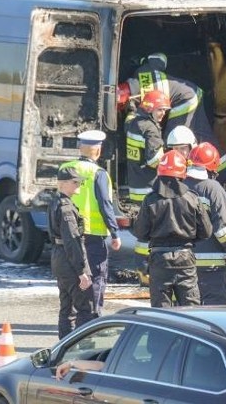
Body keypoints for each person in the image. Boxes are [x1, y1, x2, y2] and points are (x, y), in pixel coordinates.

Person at [132, 150, 212, 307]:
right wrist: (188, 239)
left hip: (159, 260)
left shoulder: (150, 199)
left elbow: (140, 232)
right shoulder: (192, 198)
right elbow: (206, 232)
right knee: (191, 312)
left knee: (161, 312)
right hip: (185, 259)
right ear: (182, 173)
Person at [59, 130, 121, 320]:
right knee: (94, 282)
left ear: (80, 147)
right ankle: (92, 322)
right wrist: (115, 232)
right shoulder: (99, 173)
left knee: (72, 282)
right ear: (98, 150)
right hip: (93, 236)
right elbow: (105, 204)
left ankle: (71, 326)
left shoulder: (65, 167)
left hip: (68, 236)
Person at [124, 90, 171, 283]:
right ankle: (146, 272)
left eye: (165, 110)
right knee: (151, 233)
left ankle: (142, 271)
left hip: (136, 185)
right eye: (160, 110)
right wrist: (172, 158)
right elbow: (154, 161)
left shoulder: (133, 123)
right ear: (150, 108)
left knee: (142, 230)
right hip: (149, 188)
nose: (163, 114)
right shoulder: (151, 130)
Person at [187, 142, 226, 305]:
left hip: (184, 263)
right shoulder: (213, 189)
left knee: (187, 311)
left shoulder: (180, 186)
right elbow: (223, 227)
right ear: (213, 166)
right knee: (213, 311)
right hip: (212, 265)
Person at [48, 165, 93, 339]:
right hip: (69, 260)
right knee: (84, 308)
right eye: (75, 182)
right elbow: (72, 241)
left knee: (66, 307)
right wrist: (82, 271)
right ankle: (80, 348)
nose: (78, 185)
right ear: (63, 184)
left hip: (59, 258)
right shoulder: (66, 208)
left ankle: (63, 347)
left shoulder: (55, 202)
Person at [130, 52, 203, 139]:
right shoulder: (142, 70)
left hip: (186, 99)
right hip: (192, 88)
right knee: (202, 131)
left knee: (173, 137)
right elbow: (161, 58)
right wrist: (143, 60)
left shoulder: (145, 102)